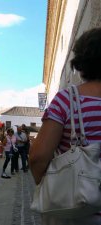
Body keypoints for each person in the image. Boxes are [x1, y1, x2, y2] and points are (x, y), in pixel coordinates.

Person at [29, 28, 101, 225]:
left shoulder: (67, 99)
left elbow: (38, 157)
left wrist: (47, 185)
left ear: (81, 61)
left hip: (76, 211)